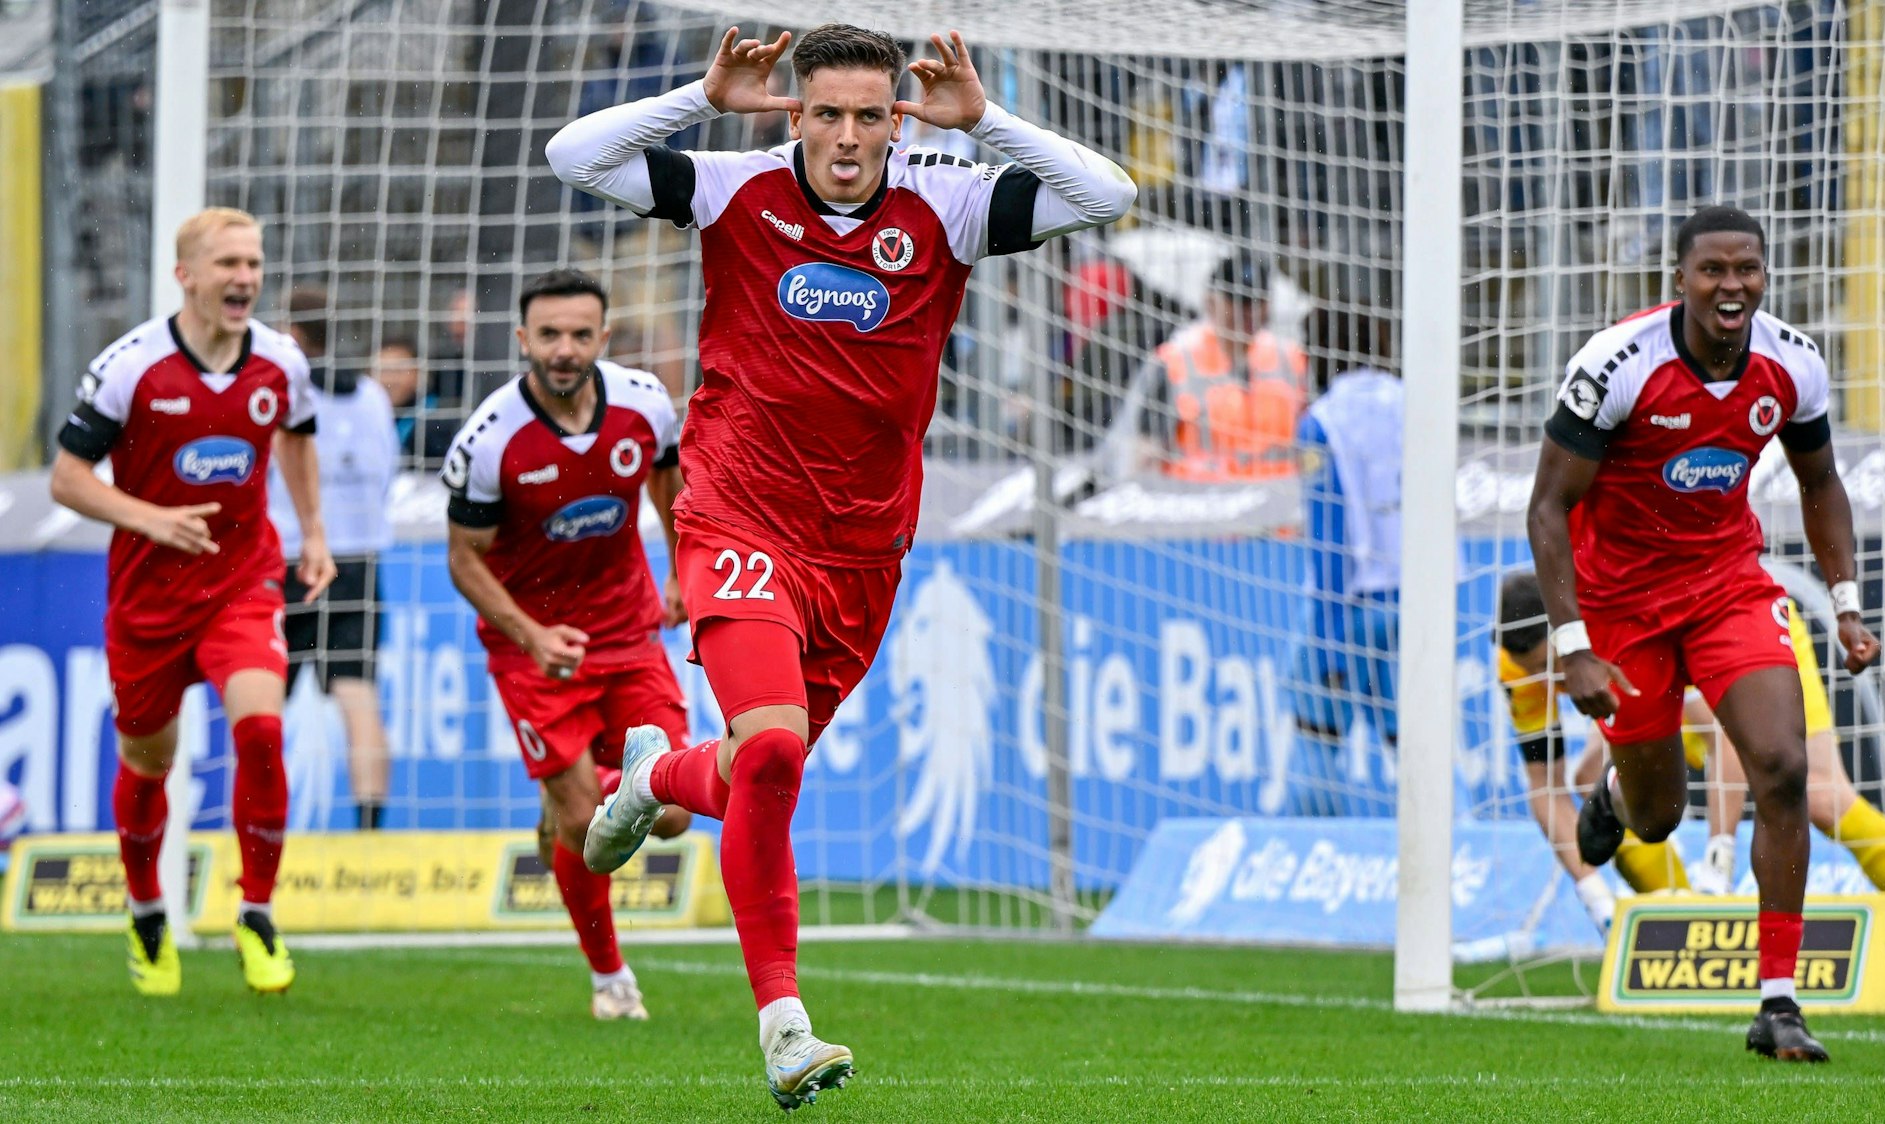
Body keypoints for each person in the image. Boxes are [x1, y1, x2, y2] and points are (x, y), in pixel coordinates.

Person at [547, 23, 1134, 1107]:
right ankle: (783, 1024)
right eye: (828, 113)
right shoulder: (734, 188)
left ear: (898, 120)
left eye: (873, 114)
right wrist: (701, 96)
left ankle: (651, 776)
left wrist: (987, 120)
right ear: (796, 115)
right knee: (771, 756)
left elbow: (1106, 193)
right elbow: (573, 156)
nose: (850, 137)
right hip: (736, 515)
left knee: (752, 764)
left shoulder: (948, 201)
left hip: (864, 548)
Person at [1527, 205, 1882, 1062]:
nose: (1732, 287)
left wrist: (1844, 599)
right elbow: (1547, 507)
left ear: (1764, 275)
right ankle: (1613, 796)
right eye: (1712, 271)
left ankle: (1778, 1001)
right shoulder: (1615, 364)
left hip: (1726, 584)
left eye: (1747, 270)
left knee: (1783, 765)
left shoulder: (1791, 363)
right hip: (1621, 603)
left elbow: (1820, 480)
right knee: (1657, 818)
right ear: (1678, 279)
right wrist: (1573, 646)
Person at [49, 207, 332, 997]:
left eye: (253, 263)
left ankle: (259, 912)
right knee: (149, 762)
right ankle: (146, 913)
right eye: (228, 264)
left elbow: (299, 438)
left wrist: (312, 532)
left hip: (242, 584)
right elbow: (66, 478)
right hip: (147, 598)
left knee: (263, 732)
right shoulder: (131, 367)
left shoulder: (281, 361)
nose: (244, 277)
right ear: (187, 276)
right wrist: (151, 519)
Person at [441, 268, 695, 1021]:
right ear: (523, 340)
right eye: (548, 335)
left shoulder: (644, 403)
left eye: (580, 335)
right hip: (532, 648)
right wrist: (530, 632)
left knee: (675, 813)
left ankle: (571, 798)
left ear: (603, 338)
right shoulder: (490, 440)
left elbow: (671, 490)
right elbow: (462, 558)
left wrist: (683, 573)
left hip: (628, 629)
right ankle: (610, 977)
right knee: (590, 829)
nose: (564, 349)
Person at [1684, 598, 1885, 895]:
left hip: (1735, 618)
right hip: (1646, 620)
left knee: (1822, 795)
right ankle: (1653, 911)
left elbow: (1728, 734)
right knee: (1632, 782)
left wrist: (1845, 600)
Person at [1493, 572, 1693, 932]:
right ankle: (1678, 902)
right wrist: (1594, 895)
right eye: (1533, 671)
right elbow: (1544, 785)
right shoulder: (1516, 668)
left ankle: (1704, 888)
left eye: (1546, 666)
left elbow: (1719, 734)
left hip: (1692, 702)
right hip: (1634, 705)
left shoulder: (1615, 624)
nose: (1545, 681)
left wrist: (1720, 850)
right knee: (1593, 777)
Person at [267, 288, 398, 830]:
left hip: (290, 557)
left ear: (293, 332)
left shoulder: (283, 393)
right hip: (356, 561)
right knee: (358, 695)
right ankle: (369, 829)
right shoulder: (372, 396)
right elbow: (388, 471)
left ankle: (254, 822)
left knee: (263, 698)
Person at [1290, 306, 1402, 814]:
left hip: (1351, 604)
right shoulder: (1414, 404)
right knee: (1417, 743)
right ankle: (1458, 852)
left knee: (1317, 737)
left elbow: (1329, 535)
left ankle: (1315, 849)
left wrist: (1331, 645)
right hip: (1415, 602)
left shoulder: (1322, 423)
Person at [1130, 251, 1307, 480]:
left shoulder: (1290, 358)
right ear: (1211, 302)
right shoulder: (1177, 360)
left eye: (1256, 301)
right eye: (1237, 302)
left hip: (1277, 503)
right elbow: (1147, 449)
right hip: (1205, 505)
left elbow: (1309, 440)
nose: (1248, 312)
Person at [372, 336, 459, 466]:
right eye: (383, 371)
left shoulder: (437, 422)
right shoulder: (366, 417)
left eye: (398, 371)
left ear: (418, 373)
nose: (389, 380)